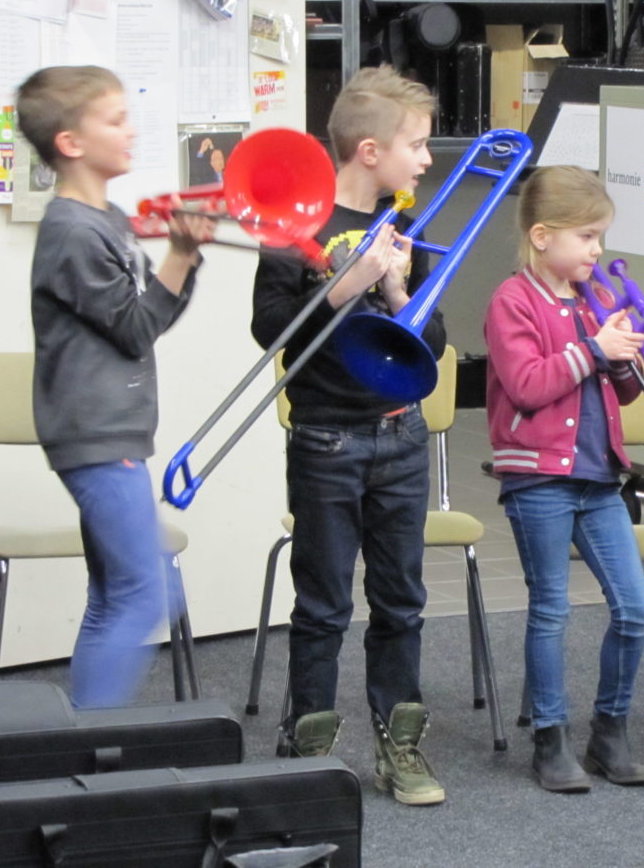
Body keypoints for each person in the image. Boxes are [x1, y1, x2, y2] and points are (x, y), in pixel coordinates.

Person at [251, 65, 445, 806]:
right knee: (324, 606)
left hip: (401, 436)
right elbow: (271, 329)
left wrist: (397, 289)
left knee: (401, 602)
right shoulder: (295, 224)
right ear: (370, 151)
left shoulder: (406, 226)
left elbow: (434, 340)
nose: (425, 159)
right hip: (327, 438)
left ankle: (401, 745)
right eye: (416, 145)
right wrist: (346, 284)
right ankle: (307, 751)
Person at [15, 65, 211, 708]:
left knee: (113, 597)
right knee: (147, 594)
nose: (131, 130)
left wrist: (185, 256)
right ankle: (92, 738)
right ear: (71, 142)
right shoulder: (72, 230)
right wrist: (178, 255)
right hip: (96, 436)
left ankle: (85, 735)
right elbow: (133, 330)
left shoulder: (110, 218)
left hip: (112, 432)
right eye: (116, 120)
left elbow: (151, 316)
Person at [484, 165, 644, 793]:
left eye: (599, 236)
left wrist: (625, 357)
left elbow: (624, 393)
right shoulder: (512, 301)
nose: (597, 250)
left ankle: (609, 730)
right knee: (551, 610)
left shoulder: (594, 301)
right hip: (539, 480)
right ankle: (549, 738)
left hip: (599, 477)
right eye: (586, 236)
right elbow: (528, 385)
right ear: (542, 236)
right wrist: (594, 350)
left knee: (635, 609)